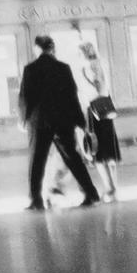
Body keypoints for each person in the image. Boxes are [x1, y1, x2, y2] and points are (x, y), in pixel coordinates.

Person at [19, 35, 101, 209]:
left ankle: (36, 199)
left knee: (37, 162)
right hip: (63, 121)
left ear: (37, 48)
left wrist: (23, 119)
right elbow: (72, 95)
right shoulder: (63, 68)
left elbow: (26, 97)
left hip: (40, 122)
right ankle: (90, 192)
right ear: (51, 48)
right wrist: (80, 121)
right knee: (72, 157)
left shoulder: (30, 69)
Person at [79, 43, 120, 197]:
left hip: (93, 111)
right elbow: (105, 89)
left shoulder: (87, 68)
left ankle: (109, 187)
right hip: (106, 111)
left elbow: (91, 90)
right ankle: (114, 185)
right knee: (110, 151)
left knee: (96, 150)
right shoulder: (101, 65)